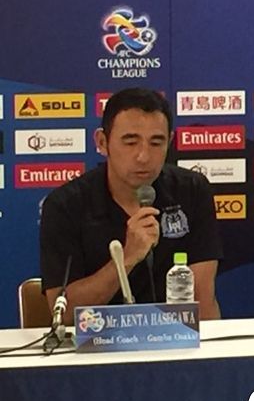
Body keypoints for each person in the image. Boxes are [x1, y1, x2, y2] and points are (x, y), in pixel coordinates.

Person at [40, 88, 223, 322]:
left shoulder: (192, 191)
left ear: (170, 142)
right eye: (130, 142)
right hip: (95, 340)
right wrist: (127, 257)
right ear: (102, 142)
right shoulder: (65, 205)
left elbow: (202, 301)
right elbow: (64, 314)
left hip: (174, 337)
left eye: (156, 143)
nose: (143, 156)